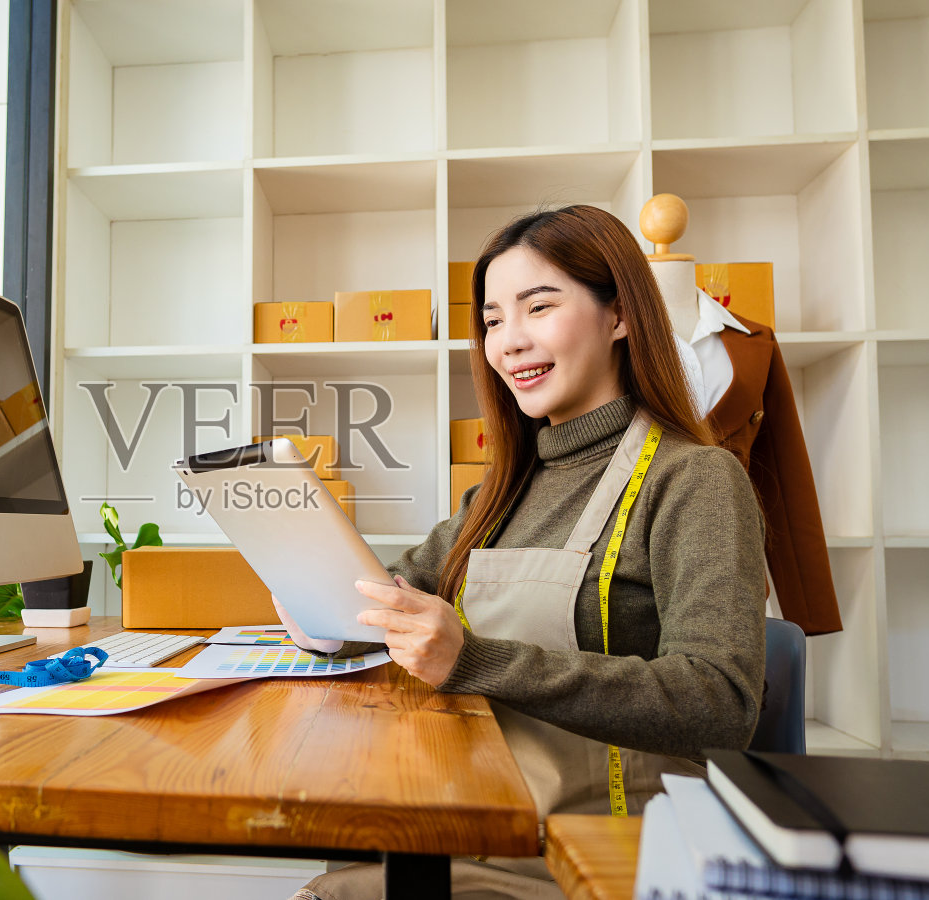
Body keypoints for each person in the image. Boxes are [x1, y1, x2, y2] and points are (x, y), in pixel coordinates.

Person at [277, 205, 768, 900]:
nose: (508, 342)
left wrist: (474, 661)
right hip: (476, 822)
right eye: (493, 320)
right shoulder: (501, 491)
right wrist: (322, 603)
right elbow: (392, 593)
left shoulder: (694, 480)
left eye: (538, 307)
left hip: (599, 855)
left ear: (620, 315)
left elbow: (721, 702)